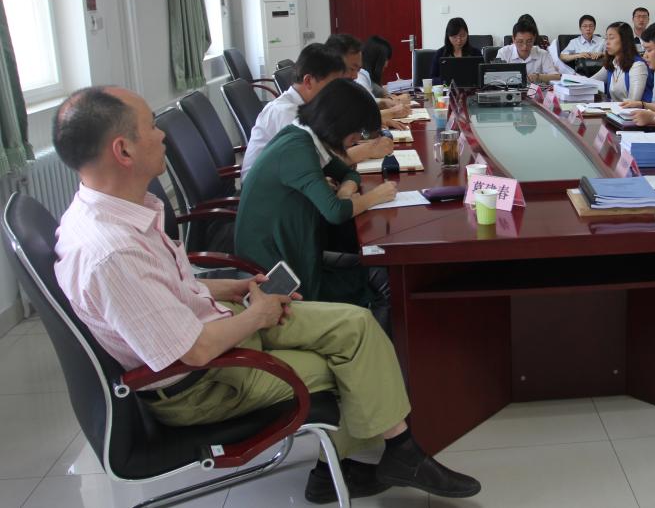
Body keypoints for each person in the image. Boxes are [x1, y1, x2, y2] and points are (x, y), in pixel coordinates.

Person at [51, 86, 481, 504]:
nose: (161, 133)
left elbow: (170, 290)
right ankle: (354, 467)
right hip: (207, 381)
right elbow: (193, 351)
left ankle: (398, 452)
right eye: (151, 126)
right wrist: (257, 315)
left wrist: (236, 288)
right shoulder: (111, 252)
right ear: (123, 150)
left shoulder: (123, 212)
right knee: (348, 363)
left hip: (220, 323)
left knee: (358, 324)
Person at [236, 79, 396, 317]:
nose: (357, 140)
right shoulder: (297, 149)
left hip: (299, 251)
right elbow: (335, 212)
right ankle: (373, 338)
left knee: (380, 266)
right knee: (385, 281)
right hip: (278, 276)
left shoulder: (304, 137)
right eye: (358, 132)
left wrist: (346, 190)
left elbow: (349, 172)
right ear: (342, 124)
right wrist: (375, 196)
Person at [241, 42, 393, 181]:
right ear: (308, 81)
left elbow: (329, 147)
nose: (336, 92)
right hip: (266, 195)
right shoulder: (285, 113)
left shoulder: (312, 107)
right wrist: (369, 149)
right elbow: (317, 162)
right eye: (332, 85)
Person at [325, 34, 411, 127]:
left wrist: (381, 114)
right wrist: (391, 113)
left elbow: (358, 113)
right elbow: (347, 121)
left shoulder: (344, 90)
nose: (355, 77)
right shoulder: (324, 97)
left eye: (358, 70)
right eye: (352, 69)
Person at [590, 21, 651, 102]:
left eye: (611, 38)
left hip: (635, 109)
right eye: (606, 38)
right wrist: (575, 80)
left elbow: (633, 101)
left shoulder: (638, 65)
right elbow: (590, 82)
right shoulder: (612, 63)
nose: (607, 42)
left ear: (624, 40)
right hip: (615, 109)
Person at [496, 20, 561, 83]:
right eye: (520, 42)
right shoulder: (503, 53)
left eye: (529, 41)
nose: (525, 46)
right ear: (513, 39)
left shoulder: (542, 54)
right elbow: (496, 77)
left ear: (534, 38)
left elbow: (557, 77)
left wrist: (538, 77)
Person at [429, 17, 482, 82]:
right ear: (448, 36)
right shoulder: (440, 53)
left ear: (467, 34)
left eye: (462, 36)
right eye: (454, 37)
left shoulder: (476, 53)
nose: (459, 40)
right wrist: (446, 80)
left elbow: (484, 75)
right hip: (447, 87)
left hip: (471, 88)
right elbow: (432, 78)